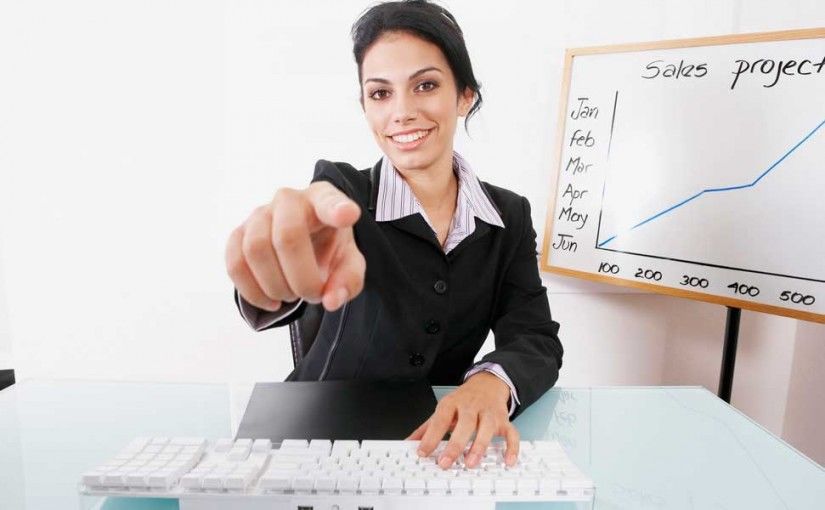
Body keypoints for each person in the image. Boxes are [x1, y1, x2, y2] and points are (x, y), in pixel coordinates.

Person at [224, 0, 563, 471]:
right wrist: (277, 272)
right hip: (311, 440)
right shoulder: (342, 193)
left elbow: (534, 335)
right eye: (380, 93)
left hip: (430, 448)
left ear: (464, 95)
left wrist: (491, 383)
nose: (402, 112)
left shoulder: (509, 216)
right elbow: (305, 235)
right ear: (365, 106)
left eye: (425, 85)